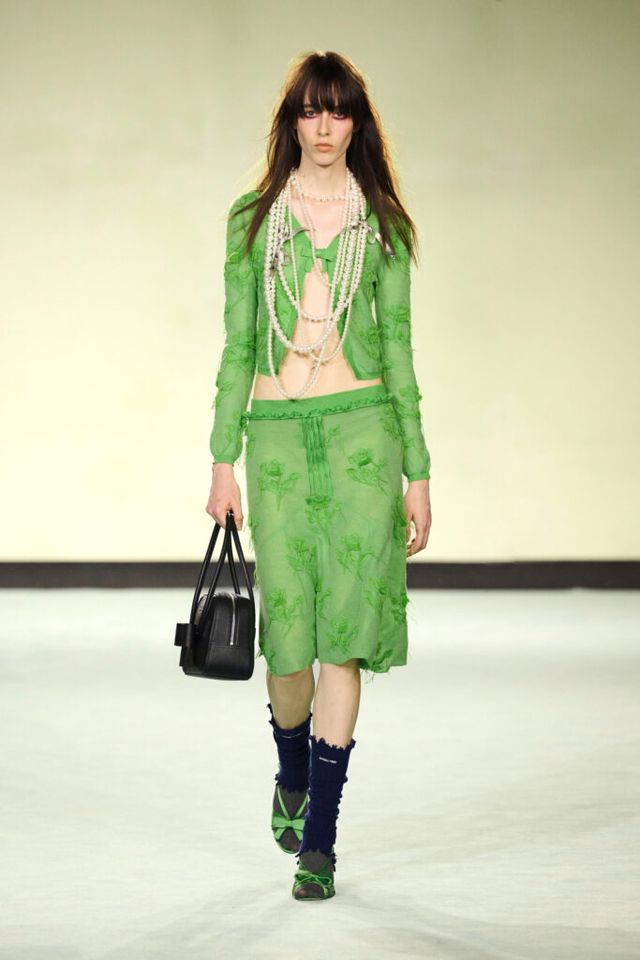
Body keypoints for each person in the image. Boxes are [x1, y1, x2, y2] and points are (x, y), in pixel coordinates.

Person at [205, 50, 432, 901]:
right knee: (288, 639)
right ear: (293, 121)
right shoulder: (253, 221)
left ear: (357, 123)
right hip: (273, 441)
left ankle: (322, 843)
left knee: (344, 635)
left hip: (363, 435)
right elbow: (237, 345)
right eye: (311, 109)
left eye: (339, 111)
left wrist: (418, 471)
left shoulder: (383, 224)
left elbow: (400, 350)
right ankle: (292, 766)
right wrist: (221, 458)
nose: (325, 125)